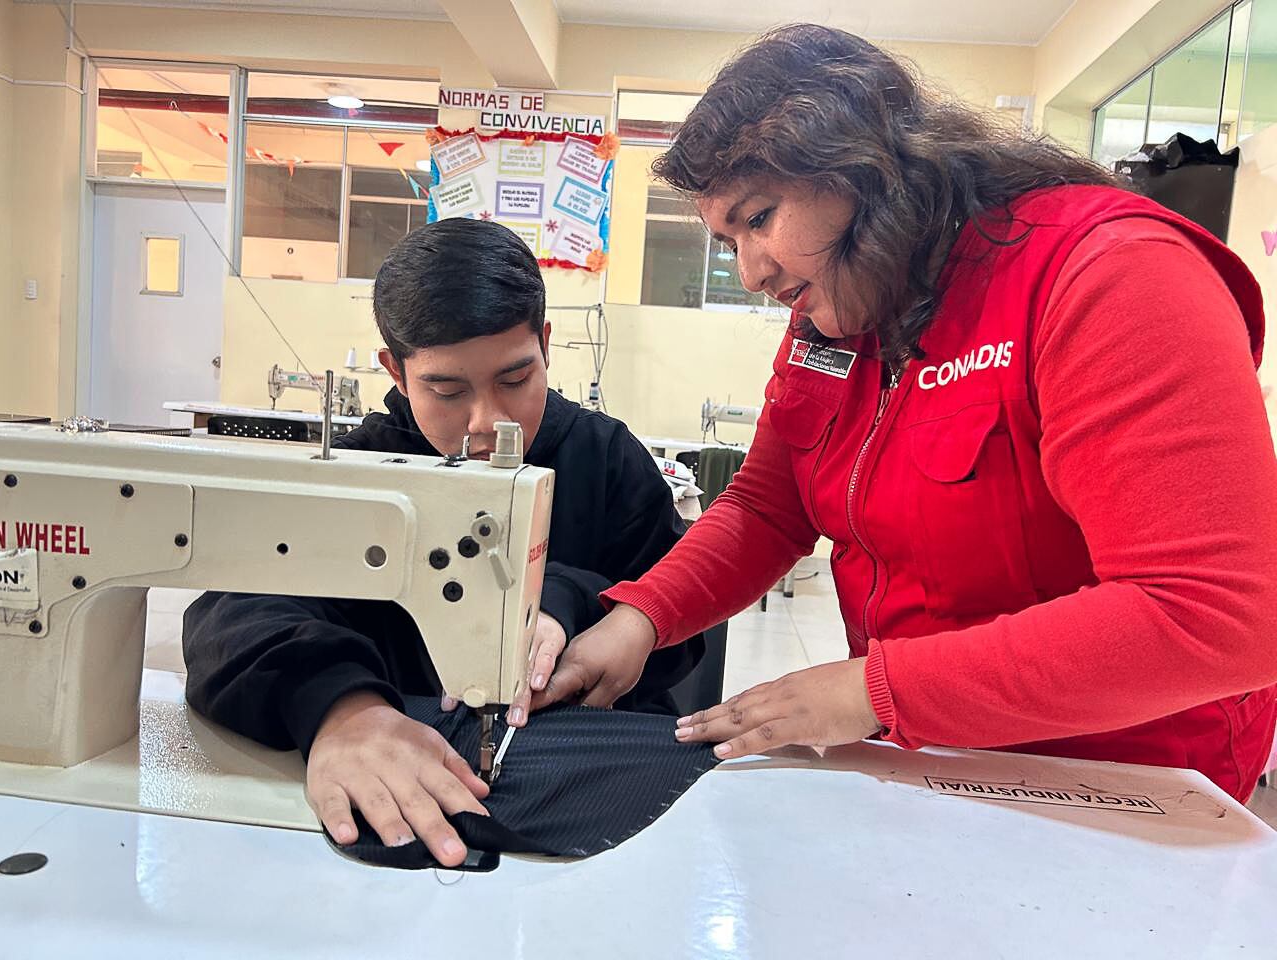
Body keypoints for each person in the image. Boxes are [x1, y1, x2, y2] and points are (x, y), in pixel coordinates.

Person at [532, 24, 1277, 802]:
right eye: (728, 240)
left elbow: (1216, 614)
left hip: (1126, 785)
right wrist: (640, 617)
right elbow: (768, 505)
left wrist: (873, 692)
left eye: (759, 219)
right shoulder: (840, 311)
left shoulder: (1110, 273)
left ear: (863, 167)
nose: (752, 271)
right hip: (933, 757)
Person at [183, 218, 704, 866]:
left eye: (516, 379)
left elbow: (679, 625)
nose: (489, 422)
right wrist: (341, 707)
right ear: (396, 372)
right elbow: (230, 616)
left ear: (545, 344)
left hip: (588, 782)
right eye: (448, 390)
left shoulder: (608, 460)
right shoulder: (357, 473)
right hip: (404, 776)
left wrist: (570, 604)